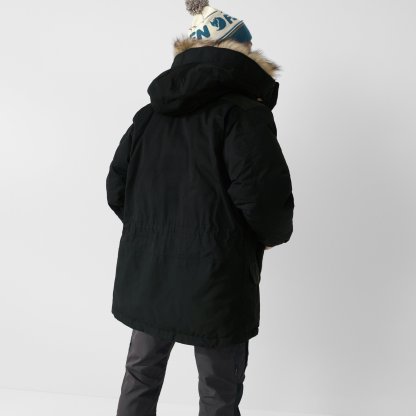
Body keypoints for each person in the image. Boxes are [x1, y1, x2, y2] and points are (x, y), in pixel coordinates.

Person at [105, 1, 295, 415]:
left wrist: (150, 231)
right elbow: (262, 195)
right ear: (241, 53)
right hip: (218, 274)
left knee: (141, 372)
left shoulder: (149, 115)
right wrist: (270, 236)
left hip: (150, 270)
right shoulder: (244, 114)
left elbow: (117, 187)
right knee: (218, 387)